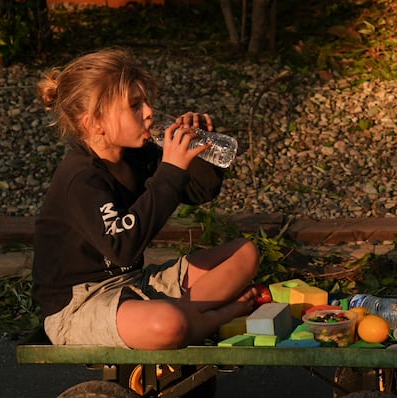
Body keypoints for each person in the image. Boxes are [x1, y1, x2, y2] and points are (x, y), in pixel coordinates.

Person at [32, 47, 261, 348]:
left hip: (133, 284)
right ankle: (215, 316)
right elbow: (122, 247)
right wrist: (170, 170)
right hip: (81, 304)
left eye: (146, 102)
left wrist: (200, 156)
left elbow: (198, 191)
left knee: (245, 253)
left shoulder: (137, 155)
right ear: (94, 123)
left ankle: (189, 317)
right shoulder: (81, 177)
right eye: (135, 106)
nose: (150, 112)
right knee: (167, 323)